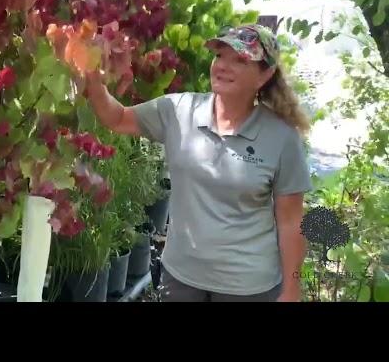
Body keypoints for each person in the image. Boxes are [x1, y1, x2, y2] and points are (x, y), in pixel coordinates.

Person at [84, 24, 313, 302]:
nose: (223, 66)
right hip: (181, 278)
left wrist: (292, 289)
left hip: (248, 288)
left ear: (264, 75)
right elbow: (117, 118)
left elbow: (291, 222)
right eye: (220, 56)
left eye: (240, 60)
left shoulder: (281, 137)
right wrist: (92, 77)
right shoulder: (179, 111)